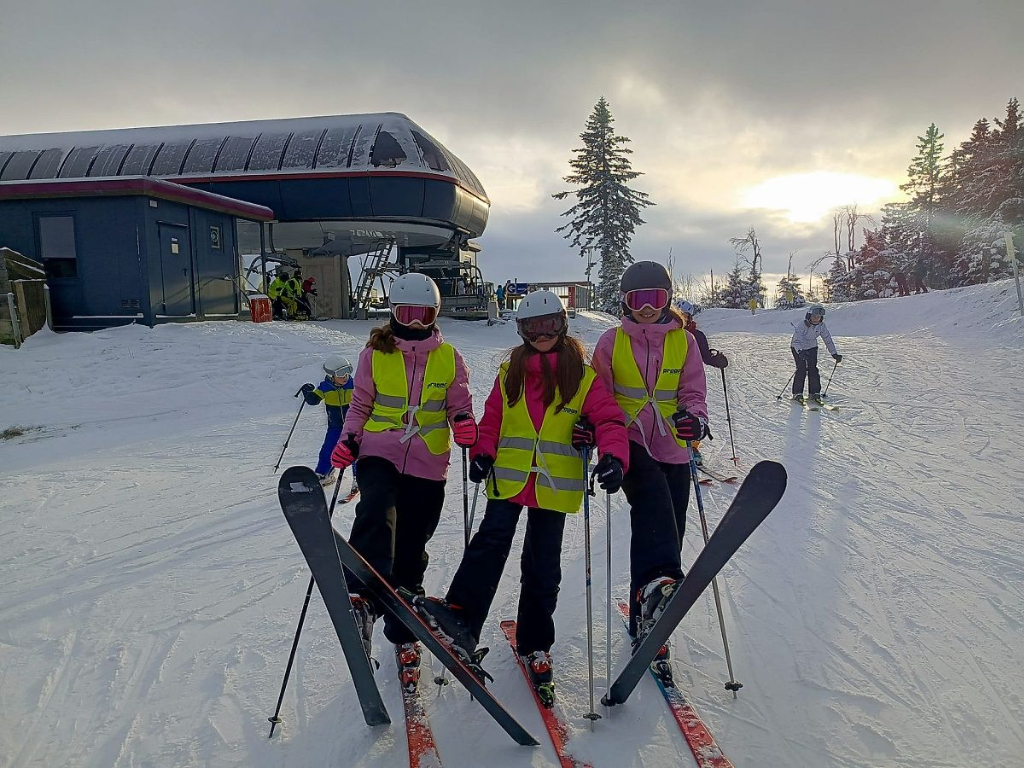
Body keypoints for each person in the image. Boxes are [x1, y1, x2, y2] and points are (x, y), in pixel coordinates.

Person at [411, 290, 628, 702]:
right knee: (489, 543)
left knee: (543, 564)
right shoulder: (511, 371)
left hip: (553, 484)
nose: (542, 335)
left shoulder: (582, 378)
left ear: (562, 325)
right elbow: (493, 419)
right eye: (533, 328)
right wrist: (483, 451)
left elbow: (609, 420)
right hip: (508, 478)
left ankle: (535, 643)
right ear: (522, 331)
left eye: (549, 326)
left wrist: (613, 456)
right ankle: (461, 619)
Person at [329, 272, 476, 681]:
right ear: (392, 311)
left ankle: (404, 628)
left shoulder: (449, 358)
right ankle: (361, 597)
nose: (413, 322)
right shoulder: (374, 354)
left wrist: (464, 422)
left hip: (428, 461)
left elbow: (459, 403)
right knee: (377, 510)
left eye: (422, 314)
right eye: (405, 313)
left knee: (412, 545)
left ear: (434, 314)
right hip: (379, 450)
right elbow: (360, 404)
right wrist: (349, 439)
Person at [592, 261, 709, 657]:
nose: (645, 308)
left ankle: (651, 610)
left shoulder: (684, 341)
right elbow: (599, 396)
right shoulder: (611, 341)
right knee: (651, 499)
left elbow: (693, 391)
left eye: (654, 299)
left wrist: (695, 419)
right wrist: (602, 442)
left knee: (670, 524)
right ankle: (660, 583)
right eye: (637, 299)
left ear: (667, 300)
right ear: (625, 302)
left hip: (672, 440)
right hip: (628, 437)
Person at [675, 299, 728, 466]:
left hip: (690, 379)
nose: (682, 318)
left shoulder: (697, 335)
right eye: (680, 314)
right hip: (668, 378)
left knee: (692, 413)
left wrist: (717, 360)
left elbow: (705, 356)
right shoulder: (668, 334)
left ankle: (693, 447)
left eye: (685, 315)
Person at [301, 356, 357, 495]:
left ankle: (359, 477)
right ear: (331, 375)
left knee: (355, 451)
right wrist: (308, 393)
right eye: (341, 374)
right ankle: (324, 473)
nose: (345, 377)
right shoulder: (325, 387)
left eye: (347, 372)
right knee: (328, 449)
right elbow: (313, 400)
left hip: (353, 425)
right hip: (335, 426)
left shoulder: (353, 384)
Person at [791, 304, 842, 404]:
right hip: (798, 347)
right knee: (801, 369)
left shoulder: (821, 326)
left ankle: (814, 393)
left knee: (813, 369)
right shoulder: (802, 325)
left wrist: (834, 353)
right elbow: (796, 341)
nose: (816, 319)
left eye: (818, 317)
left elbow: (827, 339)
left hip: (812, 347)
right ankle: (797, 393)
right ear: (809, 316)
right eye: (814, 316)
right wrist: (800, 351)